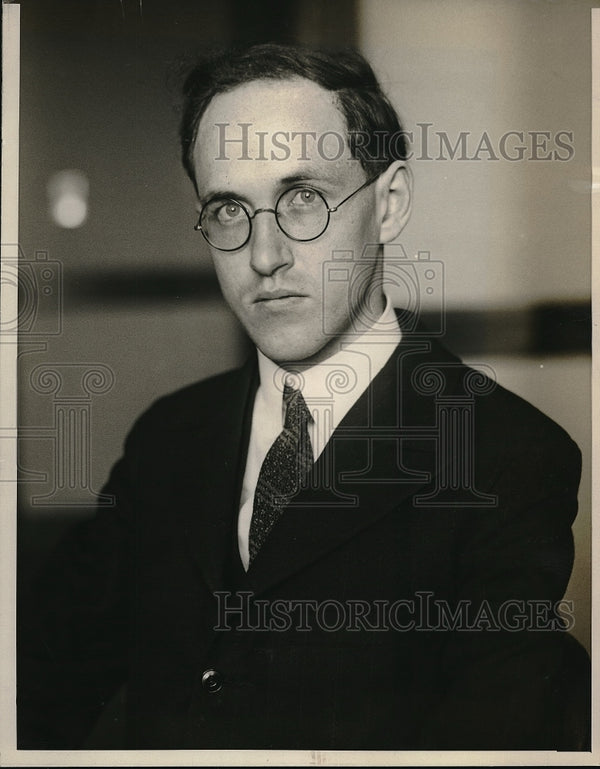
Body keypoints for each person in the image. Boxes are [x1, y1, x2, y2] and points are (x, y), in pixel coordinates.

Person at [18, 42, 588, 751]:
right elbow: (35, 681)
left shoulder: (504, 456)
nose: (264, 256)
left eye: (304, 199)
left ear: (389, 205)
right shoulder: (169, 437)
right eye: (229, 210)